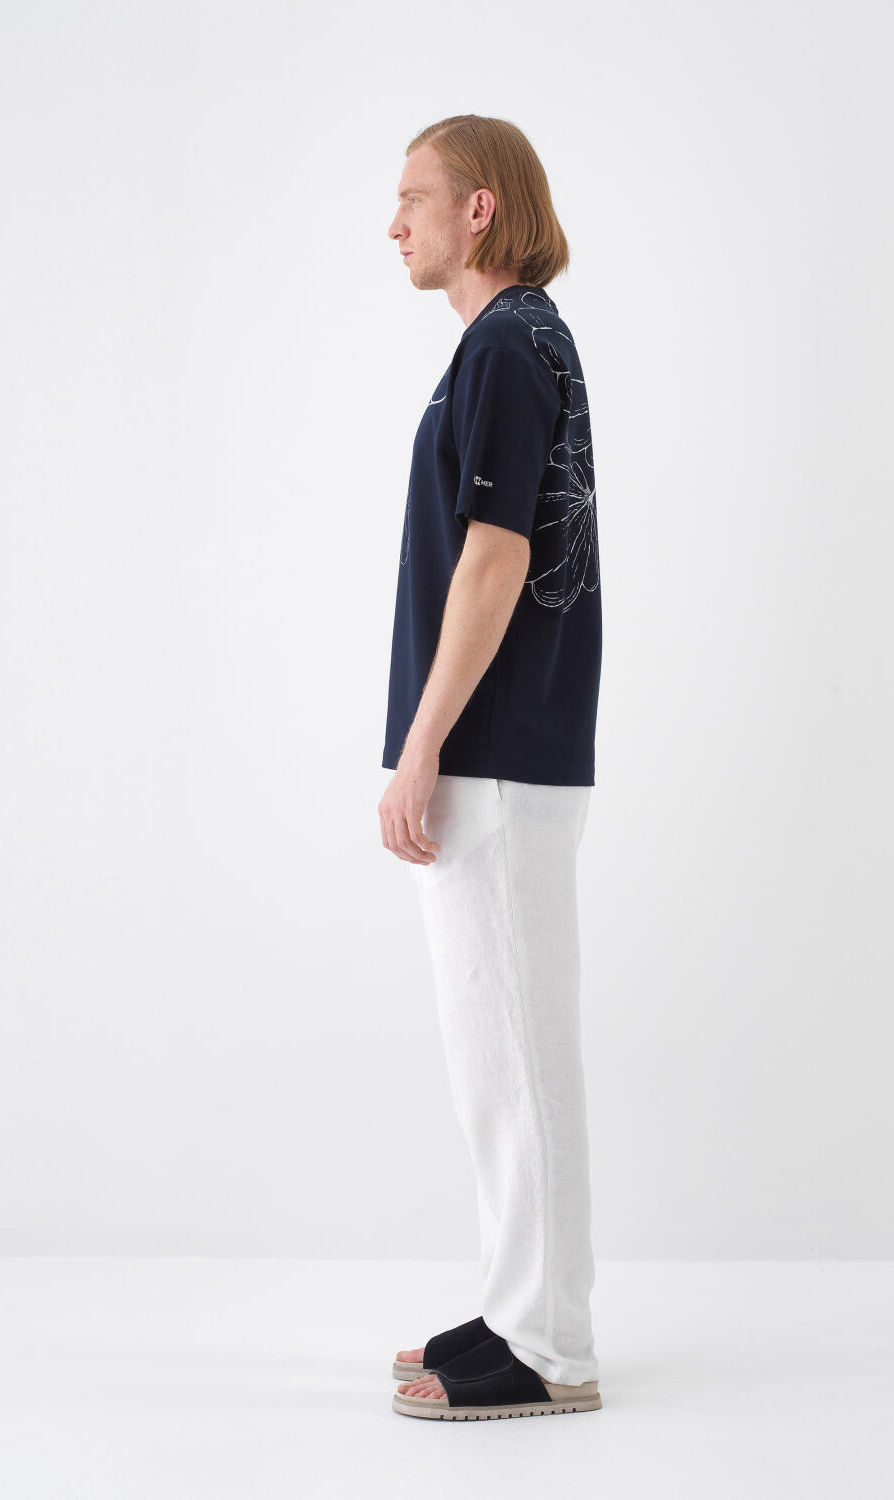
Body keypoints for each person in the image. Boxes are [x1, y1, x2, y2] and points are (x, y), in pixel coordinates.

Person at [377, 114, 603, 1422]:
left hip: (496, 752)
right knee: (499, 1054)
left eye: (413, 196)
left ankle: (549, 1347)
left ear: (478, 209)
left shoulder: (510, 342)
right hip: (507, 751)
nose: (392, 222)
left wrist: (420, 748)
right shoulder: (509, 343)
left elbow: (497, 555)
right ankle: (523, 1303)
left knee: (515, 1054)